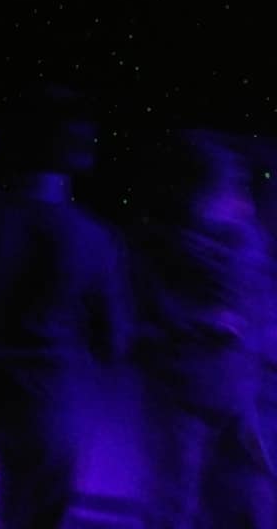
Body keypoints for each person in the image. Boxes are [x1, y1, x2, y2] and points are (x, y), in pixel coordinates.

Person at [0, 85, 130, 528]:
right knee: (43, 504)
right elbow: (113, 339)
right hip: (56, 394)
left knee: (17, 494)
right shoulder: (91, 233)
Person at [131, 130, 274, 528]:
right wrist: (197, 322)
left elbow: (260, 308)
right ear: (192, 189)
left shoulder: (248, 244)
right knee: (176, 497)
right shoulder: (162, 248)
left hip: (240, 392)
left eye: (240, 183)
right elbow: (142, 319)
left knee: (246, 497)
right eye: (228, 184)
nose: (240, 196)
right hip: (182, 394)